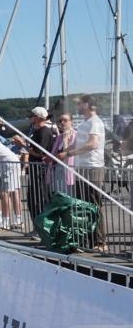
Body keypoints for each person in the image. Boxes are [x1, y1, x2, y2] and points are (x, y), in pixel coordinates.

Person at [62, 95, 107, 250]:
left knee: (94, 204)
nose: (78, 107)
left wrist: (69, 154)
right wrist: (64, 151)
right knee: (83, 205)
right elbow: (78, 142)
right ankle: (87, 239)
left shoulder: (95, 122)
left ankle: (100, 241)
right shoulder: (85, 123)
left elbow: (93, 144)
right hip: (82, 168)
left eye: (80, 104)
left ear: (87, 104)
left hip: (92, 167)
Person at [19, 107, 56, 225]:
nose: (30, 117)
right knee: (32, 199)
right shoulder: (37, 131)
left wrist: (23, 146)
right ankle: (37, 226)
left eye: (32, 115)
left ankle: (41, 228)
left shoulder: (44, 131)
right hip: (35, 170)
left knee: (39, 199)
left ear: (38, 118)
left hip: (40, 169)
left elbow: (40, 153)